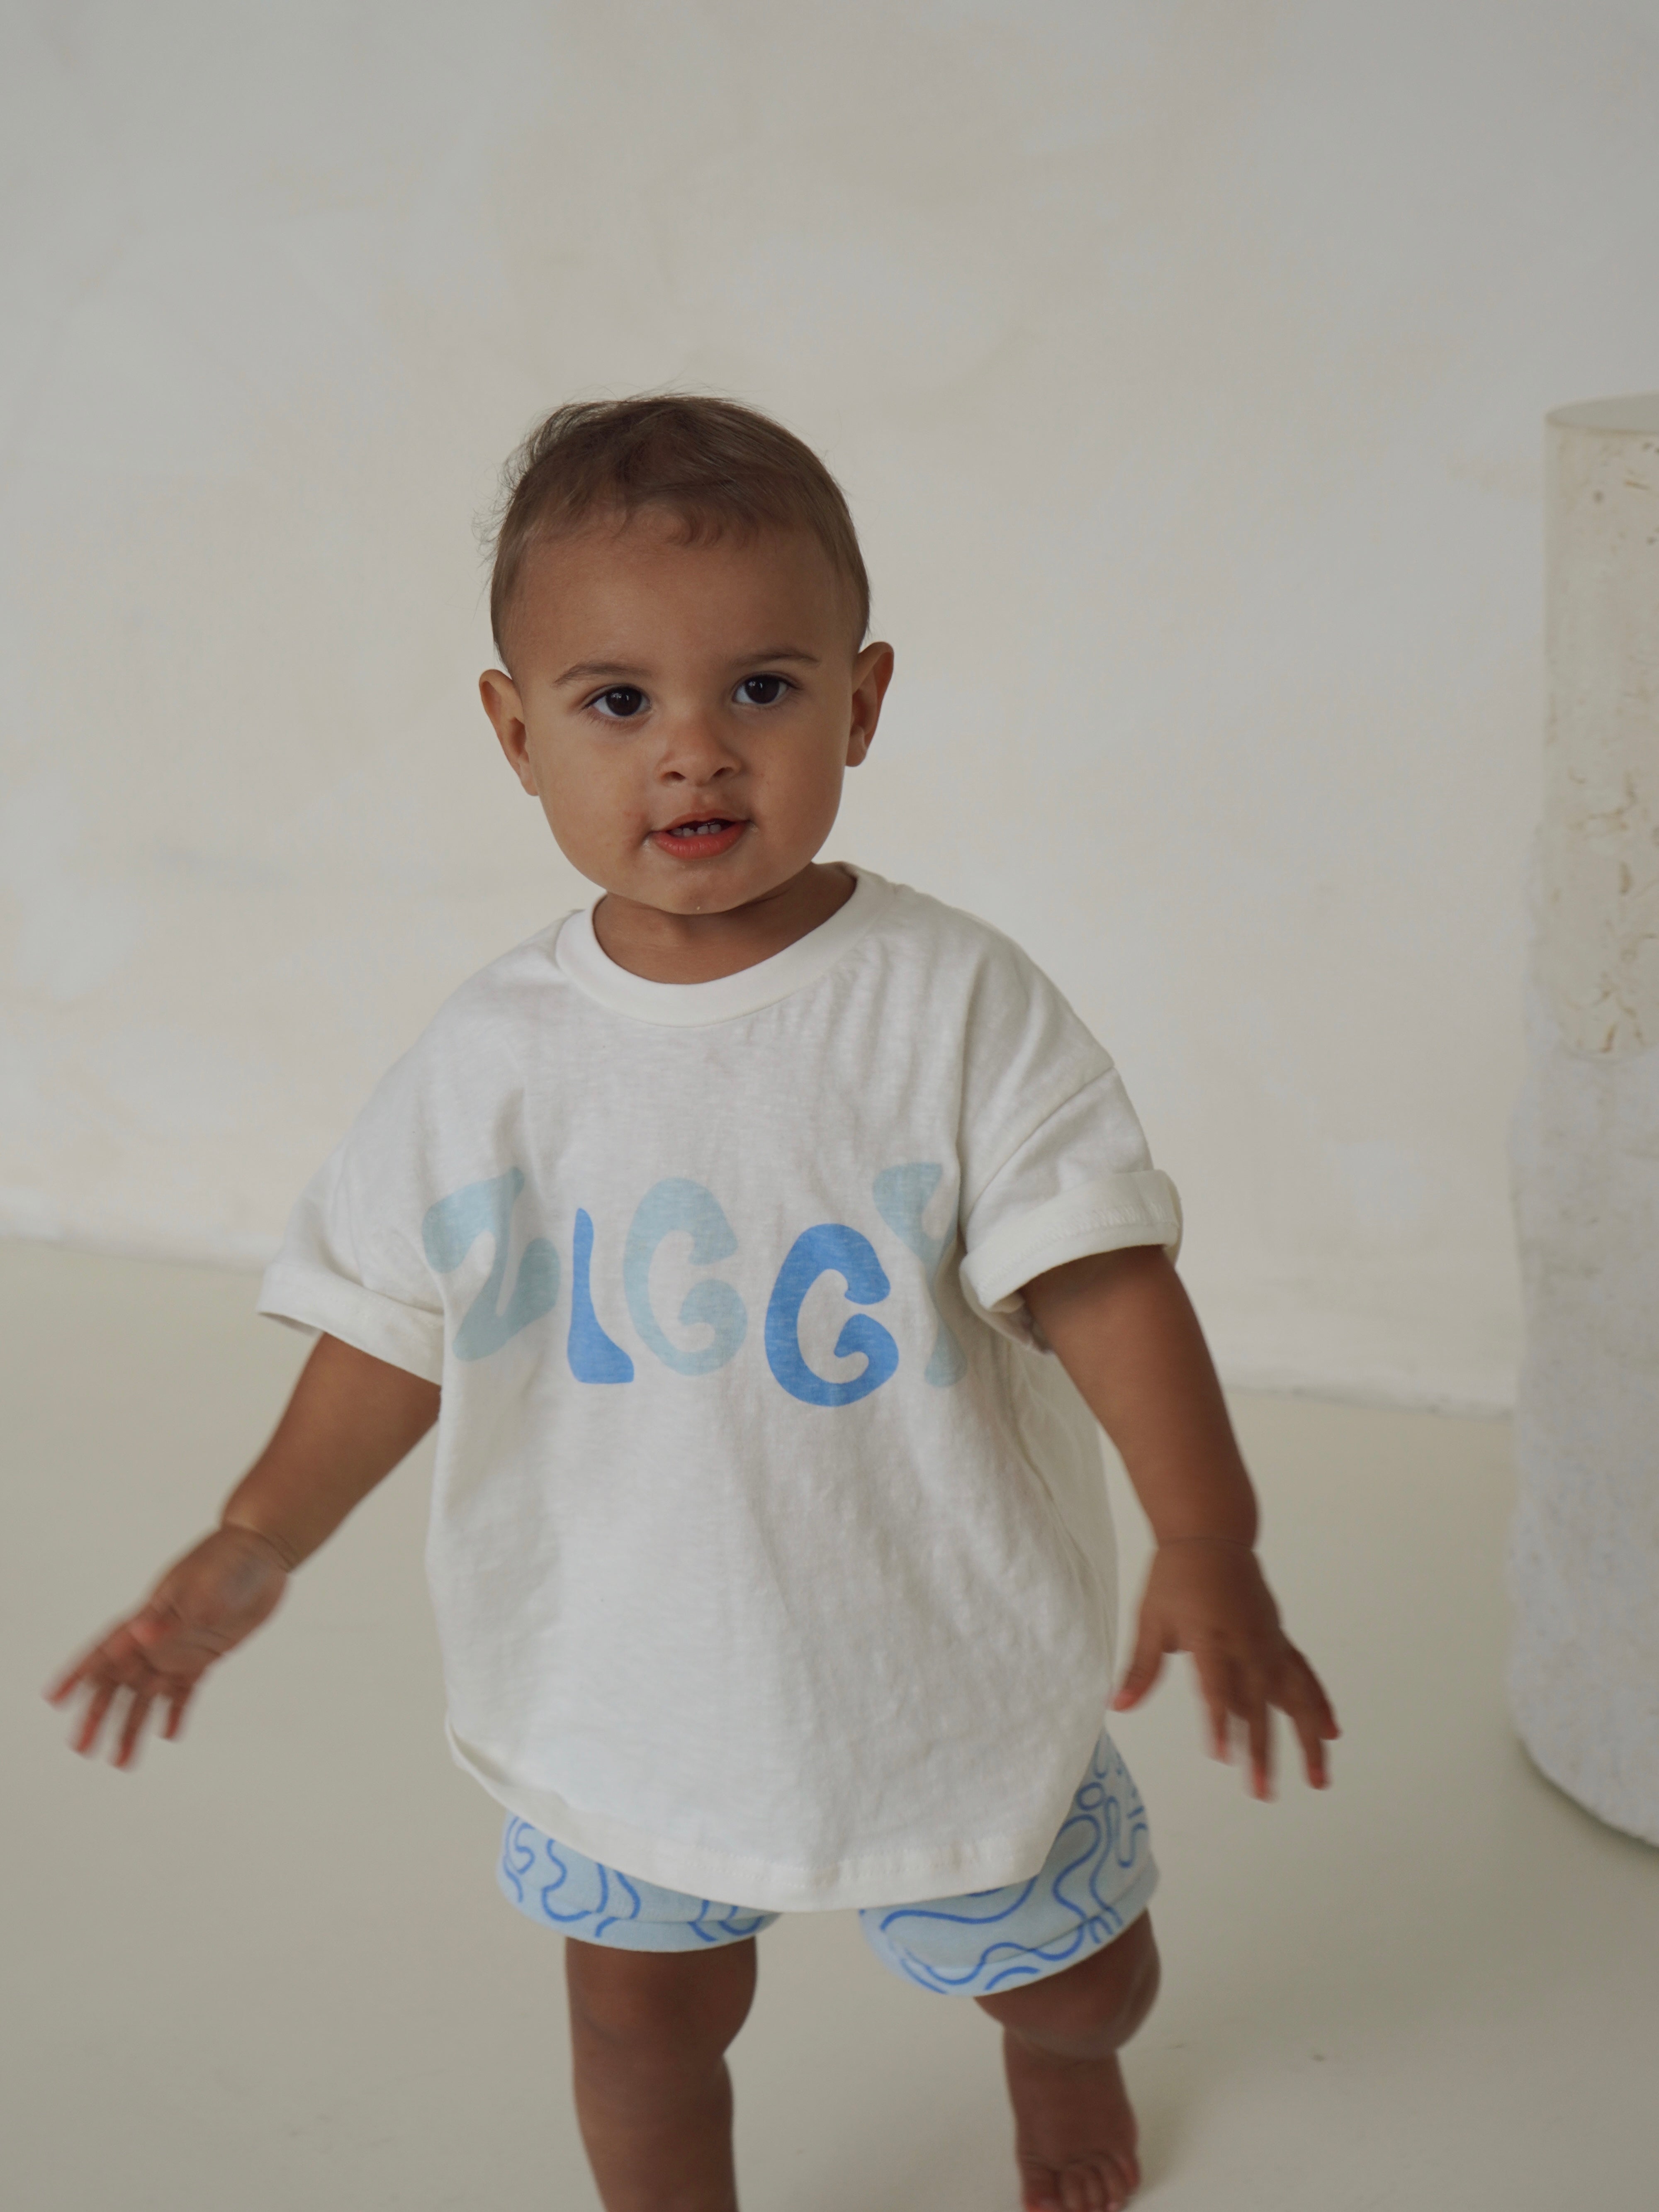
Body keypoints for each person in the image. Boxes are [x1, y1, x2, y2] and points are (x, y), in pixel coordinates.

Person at [49, 394, 1338, 2212]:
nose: (693, 756)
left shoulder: (948, 1001)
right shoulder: (489, 1059)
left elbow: (1105, 1277)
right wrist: (253, 1532)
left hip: (935, 1661)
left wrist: (1207, 1529)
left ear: (862, 703)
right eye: (617, 700)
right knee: (643, 2032)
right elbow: (388, 1326)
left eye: (762, 689)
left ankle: (1064, 2078)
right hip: (627, 1681)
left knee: (1076, 1974)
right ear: (513, 729)